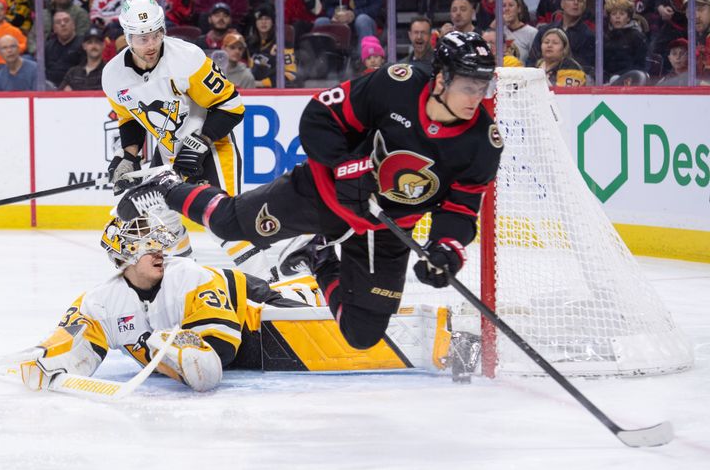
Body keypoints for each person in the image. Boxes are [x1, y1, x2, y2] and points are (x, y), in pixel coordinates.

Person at [115, 31, 502, 351]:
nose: (476, 97)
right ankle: (167, 185)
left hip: (386, 228)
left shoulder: (483, 142)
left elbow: (462, 208)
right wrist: (343, 166)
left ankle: (317, 256)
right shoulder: (395, 85)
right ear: (441, 80)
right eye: (468, 86)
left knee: (362, 335)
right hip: (322, 195)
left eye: (482, 86)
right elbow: (321, 115)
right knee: (230, 223)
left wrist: (446, 249)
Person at [18, 212, 309, 394]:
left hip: (253, 310)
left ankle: (312, 264)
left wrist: (172, 347)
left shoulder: (189, 276)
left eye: (158, 245)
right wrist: (48, 361)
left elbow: (217, 356)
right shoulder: (101, 302)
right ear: (123, 257)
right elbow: (71, 346)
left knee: (322, 319)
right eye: (147, 248)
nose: (158, 253)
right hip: (243, 351)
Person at [101, 0, 278, 281]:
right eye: (142, 37)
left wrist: (201, 142)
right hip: (168, 155)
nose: (150, 44)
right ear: (127, 36)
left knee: (225, 225)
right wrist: (128, 157)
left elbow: (232, 106)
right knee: (165, 224)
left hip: (213, 148)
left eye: (156, 34)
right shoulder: (113, 75)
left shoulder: (187, 58)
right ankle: (187, 283)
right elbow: (129, 118)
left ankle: (270, 290)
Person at [526, 0, 596, 70]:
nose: (576, 3)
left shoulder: (589, 36)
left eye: (580, 0)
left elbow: (587, 67)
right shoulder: (545, 31)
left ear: (584, 6)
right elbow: (532, 60)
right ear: (562, 3)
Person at [247, 4, 298, 87]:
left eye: (267, 19)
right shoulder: (250, 45)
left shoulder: (282, 43)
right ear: (255, 23)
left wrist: (262, 84)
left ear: (273, 22)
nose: (263, 22)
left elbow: (291, 74)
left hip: (275, 90)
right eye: (260, 19)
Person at [603, 0, 647, 81]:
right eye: (614, 14)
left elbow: (640, 65)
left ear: (628, 18)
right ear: (609, 18)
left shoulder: (637, 36)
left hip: (630, 80)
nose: (617, 17)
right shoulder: (606, 37)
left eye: (622, 14)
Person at [45, 11, 85, 87]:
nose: (63, 24)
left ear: (73, 25)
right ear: (54, 29)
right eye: (58, 22)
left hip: (75, 88)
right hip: (50, 89)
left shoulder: (83, 44)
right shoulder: (48, 46)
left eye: (66, 21)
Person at [60, 26, 106, 91]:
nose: (94, 46)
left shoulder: (108, 71)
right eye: (90, 42)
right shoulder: (73, 72)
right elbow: (59, 95)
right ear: (84, 46)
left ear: (103, 45)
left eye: (97, 42)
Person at [502, 0, 538, 65]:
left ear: (519, 9)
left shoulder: (532, 32)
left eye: (511, 5)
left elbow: (535, 60)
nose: (507, 9)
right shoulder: (498, 31)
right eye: (504, 6)